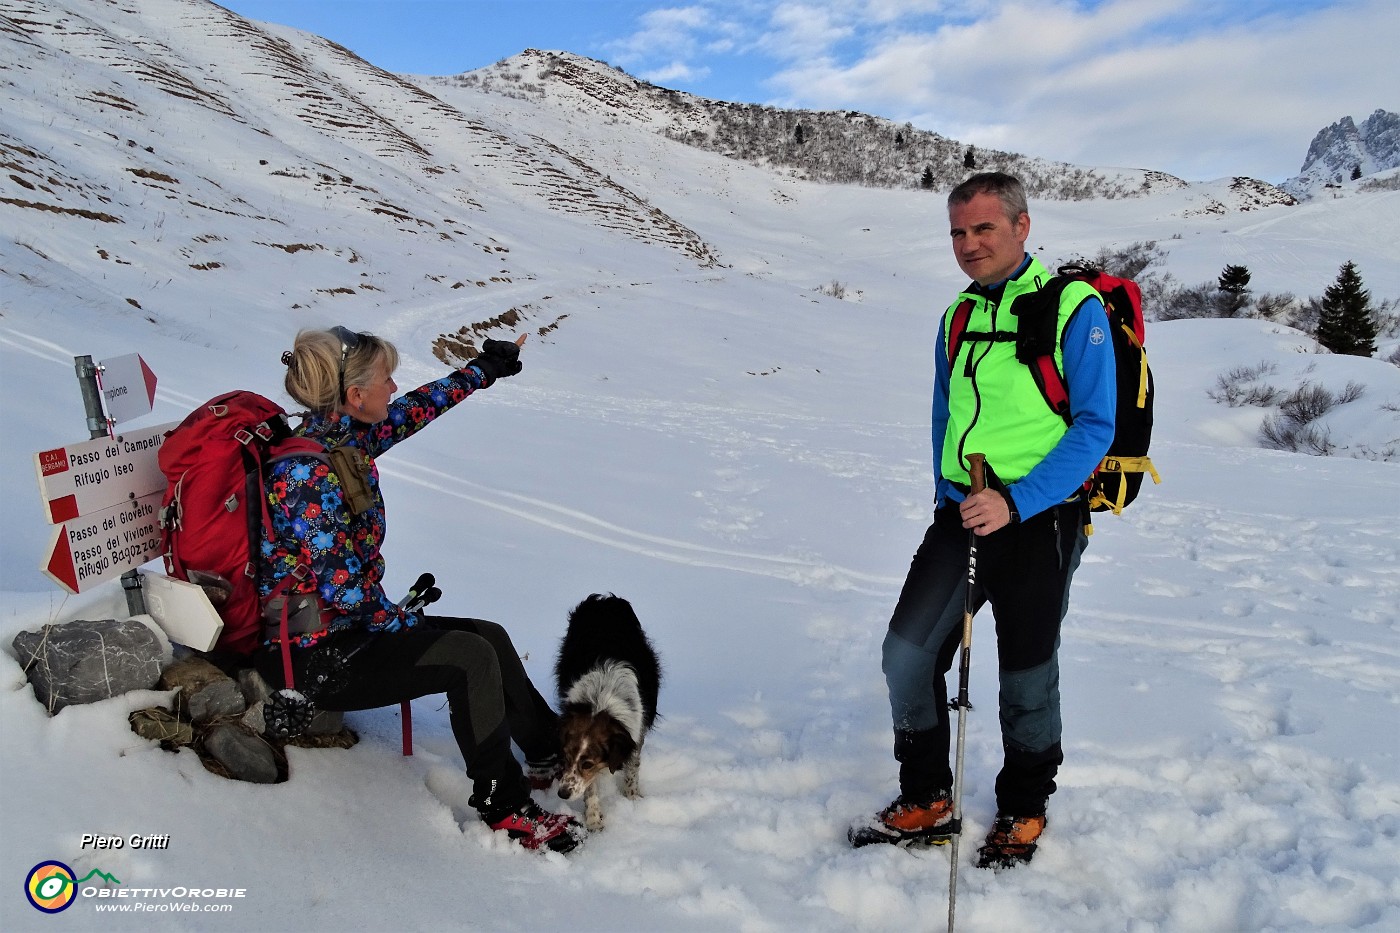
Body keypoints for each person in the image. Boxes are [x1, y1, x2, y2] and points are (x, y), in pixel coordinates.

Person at [852, 172, 1116, 868]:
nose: (968, 245)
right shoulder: (958, 318)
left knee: (1028, 672)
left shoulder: (1072, 308)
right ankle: (927, 796)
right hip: (964, 511)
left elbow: (1094, 427)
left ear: (1021, 227)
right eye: (958, 233)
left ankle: (1025, 806)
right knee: (906, 654)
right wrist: (949, 498)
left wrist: (1018, 499)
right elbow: (946, 416)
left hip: (1043, 517)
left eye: (983, 229)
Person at [256, 326, 584, 854]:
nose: (393, 387)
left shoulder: (344, 439)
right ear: (354, 395)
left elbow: (415, 409)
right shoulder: (305, 473)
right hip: (314, 657)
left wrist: (484, 370)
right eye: (385, 378)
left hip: (350, 631)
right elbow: (345, 592)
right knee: (469, 657)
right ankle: (504, 804)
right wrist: (398, 619)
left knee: (490, 636)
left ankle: (551, 751)